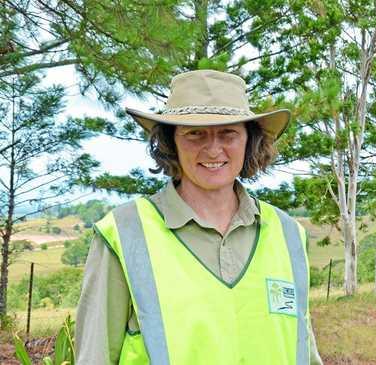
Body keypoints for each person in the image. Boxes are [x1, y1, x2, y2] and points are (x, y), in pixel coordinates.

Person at [75, 70, 323, 365]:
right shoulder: (124, 233)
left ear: (249, 140)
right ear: (171, 142)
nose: (213, 148)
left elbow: (302, 348)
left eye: (228, 132)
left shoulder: (289, 234)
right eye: (195, 133)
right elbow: (94, 356)